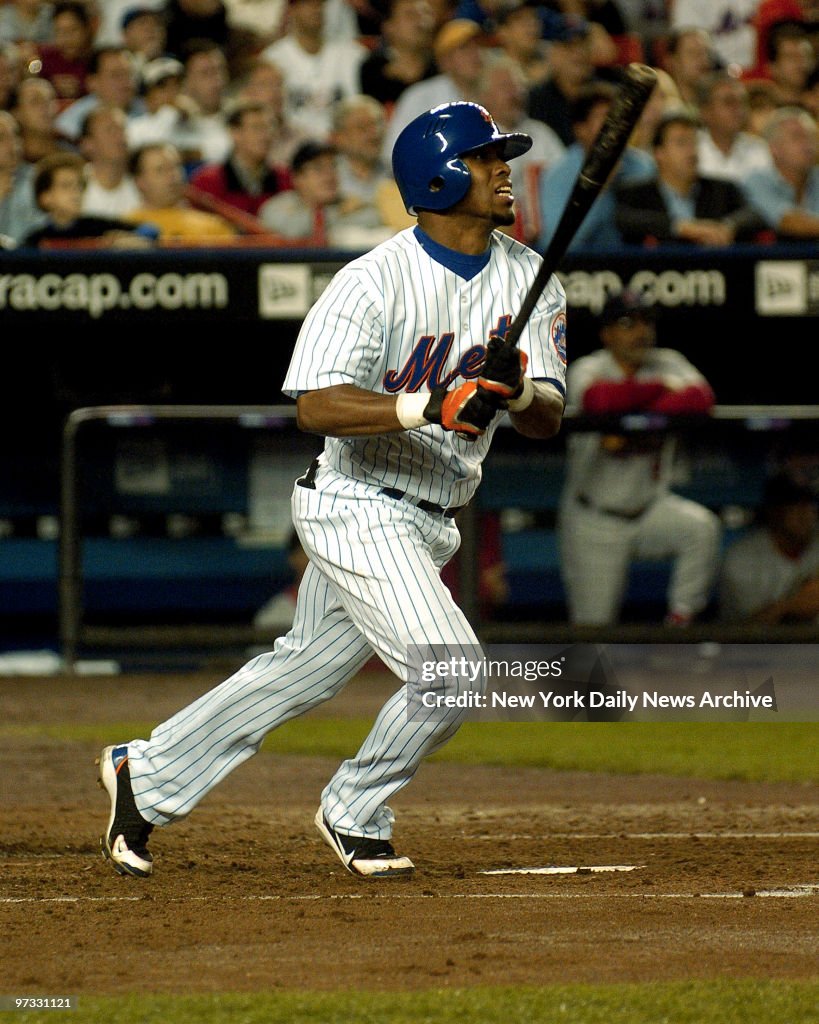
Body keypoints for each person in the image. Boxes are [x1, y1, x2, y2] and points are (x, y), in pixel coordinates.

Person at [96, 99, 566, 880]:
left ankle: (145, 774)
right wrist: (430, 403)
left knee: (300, 669)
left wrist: (516, 393)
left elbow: (548, 415)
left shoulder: (531, 281)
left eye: (501, 156)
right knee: (452, 671)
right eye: (487, 158)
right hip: (353, 499)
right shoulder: (372, 279)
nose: (504, 169)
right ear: (442, 177)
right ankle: (355, 806)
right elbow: (315, 402)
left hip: (433, 515)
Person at [558, 288, 721, 627]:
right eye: (628, 323)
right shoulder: (588, 368)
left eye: (647, 322)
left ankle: (680, 621)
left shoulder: (668, 361)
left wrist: (635, 423)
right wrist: (660, 391)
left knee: (701, 529)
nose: (641, 331)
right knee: (592, 634)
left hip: (649, 509)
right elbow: (599, 401)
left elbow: (701, 398)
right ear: (606, 333)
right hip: (595, 518)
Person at [614, 108, 768, 246]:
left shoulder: (722, 189)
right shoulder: (635, 193)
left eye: (694, 142)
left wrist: (727, 226)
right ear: (659, 153)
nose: (691, 151)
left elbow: (754, 214)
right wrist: (681, 228)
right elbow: (624, 219)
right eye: (681, 143)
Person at [537, 81, 655, 253]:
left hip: (640, 265)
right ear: (580, 129)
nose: (617, 124)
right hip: (582, 269)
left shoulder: (643, 166)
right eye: (606, 117)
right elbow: (552, 242)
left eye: (620, 115)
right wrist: (599, 189)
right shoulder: (558, 174)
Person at [260, 0, 369, 142]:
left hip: (346, 146)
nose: (316, 9)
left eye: (320, 4)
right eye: (308, 4)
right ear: (291, 10)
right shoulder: (272, 59)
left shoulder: (354, 55)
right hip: (293, 149)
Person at [381, 18, 489, 160]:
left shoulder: (494, 94)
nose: (475, 54)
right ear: (445, 60)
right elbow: (393, 151)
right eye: (464, 48)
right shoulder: (420, 96)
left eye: (478, 46)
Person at [719, 472, 819, 623]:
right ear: (773, 511)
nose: (804, 512)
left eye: (809, 503)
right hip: (749, 646)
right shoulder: (741, 558)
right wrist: (791, 606)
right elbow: (746, 629)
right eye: (793, 504)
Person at [258, 137, 393, 246]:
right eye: (318, 168)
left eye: (333, 166)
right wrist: (335, 215)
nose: (329, 175)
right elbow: (288, 231)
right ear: (297, 178)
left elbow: (373, 220)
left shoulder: (351, 203)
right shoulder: (278, 206)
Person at [19, 149, 155, 246]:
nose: (76, 193)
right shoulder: (36, 240)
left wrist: (128, 240)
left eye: (79, 186)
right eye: (66, 186)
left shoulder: (97, 227)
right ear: (45, 197)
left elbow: (151, 230)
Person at [188, 97, 288, 217]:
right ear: (234, 133)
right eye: (257, 127)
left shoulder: (285, 179)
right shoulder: (208, 182)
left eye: (270, 127)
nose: (266, 135)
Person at [124, 140, 239, 240]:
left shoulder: (215, 227)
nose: (172, 175)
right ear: (139, 182)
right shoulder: (125, 228)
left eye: (176, 166)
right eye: (160, 170)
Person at [741, 104, 819, 238]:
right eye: (797, 137)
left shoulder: (816, 177)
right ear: (774, 148)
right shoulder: (758, 181)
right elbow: (788, 222)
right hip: (772, 258)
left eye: (811, 136)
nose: (808, 144)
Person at [695, 71, 773, 183]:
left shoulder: (760, 151)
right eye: (728, 102)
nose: (738, 108)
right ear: (705, 111)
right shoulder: (692, 149)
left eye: (742, 101)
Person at [358, 0, 437, 108]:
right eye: (411, 15)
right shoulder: (373, 70)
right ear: (388, 26)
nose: (422, 22)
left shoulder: (442, 68)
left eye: (426, 13)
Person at [78, 103, 143, 217]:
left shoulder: (143, 185)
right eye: (110, 130)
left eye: (122, 129)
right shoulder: (75, 186)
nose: (121, 137)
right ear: (88, 144)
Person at [0, 109, 44, 247]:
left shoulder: (38, 178)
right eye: (1, 138)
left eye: (16, 135)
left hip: (30, 263)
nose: (13, 143)